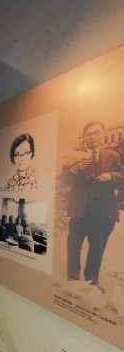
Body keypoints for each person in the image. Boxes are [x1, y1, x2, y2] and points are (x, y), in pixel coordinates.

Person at [63, 121, 123, 291]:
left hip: (102, 212)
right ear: (84, 137)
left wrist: (111, 176)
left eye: (97, 133)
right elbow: (63, 181)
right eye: (89, 134)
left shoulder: (113, 155)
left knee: (97, 247)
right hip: (79, 210)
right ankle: (73, 280)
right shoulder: (73, 155)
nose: (93, 137)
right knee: (74, 245)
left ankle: (92, 281)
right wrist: (74, 168)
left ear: (103, 134)